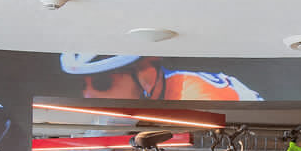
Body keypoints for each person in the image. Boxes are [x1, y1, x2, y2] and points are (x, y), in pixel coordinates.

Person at [59, 54, 263, 101]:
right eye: (82, 85)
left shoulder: (193, 95)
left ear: (144, 72)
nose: (88, 95)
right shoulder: (163, 90)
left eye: (101, 83)